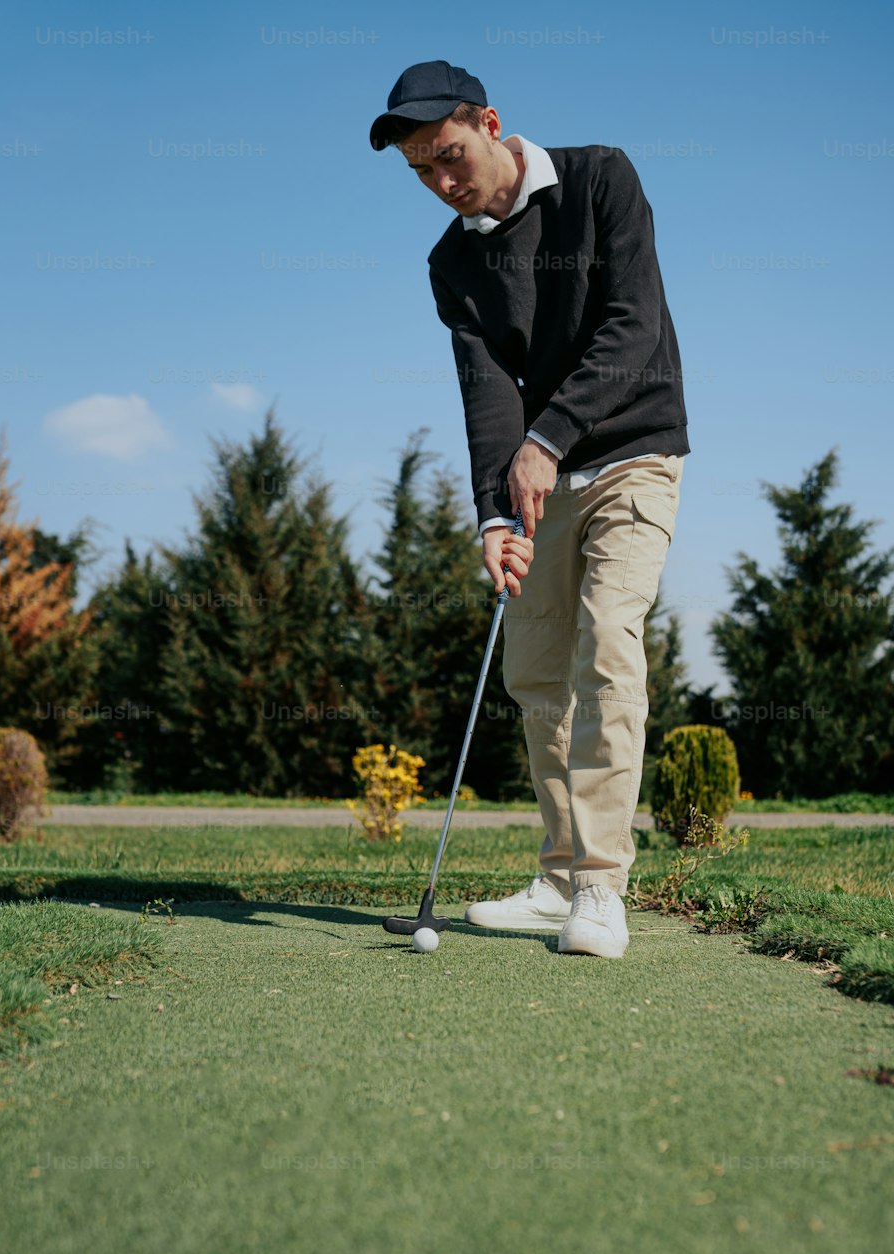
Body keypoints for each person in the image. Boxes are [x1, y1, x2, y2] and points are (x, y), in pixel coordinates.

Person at [370, 60, 689, 958]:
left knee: (607, 647)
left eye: (448, 155)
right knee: (536, 673)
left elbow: (632, 326)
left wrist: (547, 441)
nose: (441, 182)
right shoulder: (452, 264)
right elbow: (486, 397)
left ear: (491, 122)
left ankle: (599, 891)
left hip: (633, 451)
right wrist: (493, 518)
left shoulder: (600, 180)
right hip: (537, 480)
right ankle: (556, 878)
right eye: (420, 172)